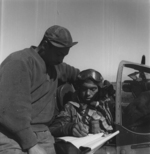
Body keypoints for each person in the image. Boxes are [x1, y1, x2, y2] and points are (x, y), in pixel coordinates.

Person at [0, 25, 80, 154]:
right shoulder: (20, 62)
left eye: (64, 55)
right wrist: (31, 145)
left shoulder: (54, 65)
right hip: (11, 134)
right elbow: (11, 111)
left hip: (42, 133)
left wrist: (100, 83)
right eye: (59, 54)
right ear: (46, 44)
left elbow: (75, 74)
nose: (61, 59)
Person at [49, 69, 115, 138]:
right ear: (79, 89)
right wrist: (69, 128)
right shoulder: (71, 108)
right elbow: (52, 129)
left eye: (93, 89)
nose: (88, 93)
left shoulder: (106, 104)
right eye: (84, 89)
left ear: (99, 90)